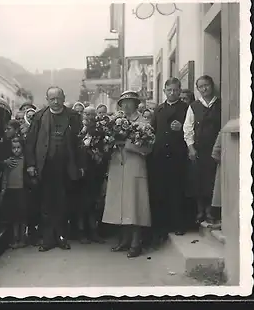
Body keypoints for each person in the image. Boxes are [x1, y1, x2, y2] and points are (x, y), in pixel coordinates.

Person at [24, 86, 86, 252]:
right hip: (44, 166)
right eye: (52, 99)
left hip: (66, 167)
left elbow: (80, 144)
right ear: (47, 100)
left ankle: (61, 237)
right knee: (45, 204)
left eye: (58, 98)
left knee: (63, 203)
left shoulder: (73, 116)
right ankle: (47, 239)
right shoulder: (39, 117)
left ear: (64, 98)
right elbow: (30, 143)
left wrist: (80, 165)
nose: (56, 101)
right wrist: (30, 164)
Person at [102, 91, 153, 258]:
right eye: (123, 103)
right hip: (118, 164)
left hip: (134, 165)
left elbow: (147, 148)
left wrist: (126, 143)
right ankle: (123, 240)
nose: (126, 105)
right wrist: (110, 142)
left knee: (134, 204)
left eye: (130, 102)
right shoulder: (115, 122)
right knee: (121, 205)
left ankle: (136, 243)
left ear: (136, 104)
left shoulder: (143, 123)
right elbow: (107, 141)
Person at [149, 78, 189, 247]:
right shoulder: (158, 110)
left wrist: (180, 129)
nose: (172, 93)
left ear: (180, 91)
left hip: (177, 155)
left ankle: (178, 224)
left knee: (177, 189)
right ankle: (161, 227)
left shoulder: (186, 108)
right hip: (159, 155)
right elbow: (152, 131)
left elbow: (191, 130)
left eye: (175, 90)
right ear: (164, 91)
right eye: (169, 90)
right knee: (160, 190)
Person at [183, 75, 221, 224]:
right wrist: (191, 147)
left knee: (213, 179)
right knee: (198, 180)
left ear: (212, 86)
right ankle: (200, 211)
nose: (204, 89)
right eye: (201, 87)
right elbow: (188, 128)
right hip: (199, 149)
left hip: (215, 147)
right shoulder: (194, 106)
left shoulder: (220, 104)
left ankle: (210, 211)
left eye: (207, 85)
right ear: (197, 89)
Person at [73, 105, 106, 244]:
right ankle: (81, 232)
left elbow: (104, 149)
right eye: (86, 114)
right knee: (81, 204)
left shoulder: (99, 131)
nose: (88, 117)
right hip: (81, 171)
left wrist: (97, 154)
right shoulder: (77, 130)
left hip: (95, 171)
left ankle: (93, 231)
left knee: (93, 203)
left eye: (91, 115)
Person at [0, 137, 28, 249]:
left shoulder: (25, 160)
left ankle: (23, 237)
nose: (16, 150)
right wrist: (3, 189)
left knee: (22, 215)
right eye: (14, 148)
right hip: (11, 190)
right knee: (14, 216)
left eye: (18, 148)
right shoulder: (9, 161)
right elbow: (5, 177)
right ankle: (16, 238)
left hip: (22, 190)